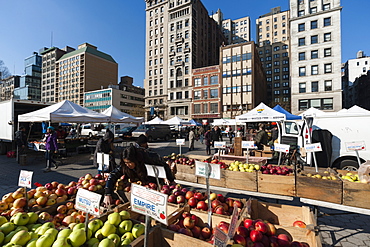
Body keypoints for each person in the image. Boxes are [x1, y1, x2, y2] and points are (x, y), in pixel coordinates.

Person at [103, 145, 175, 206]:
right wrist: (107, 193)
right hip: (140, 187)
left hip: (154, 185)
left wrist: (169, 179)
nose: (127, 165)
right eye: (125, 163)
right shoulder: (124, 166)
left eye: (130, 162)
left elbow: (164, 166)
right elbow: (113, 175)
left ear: (135, 159)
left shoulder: (149, 158)